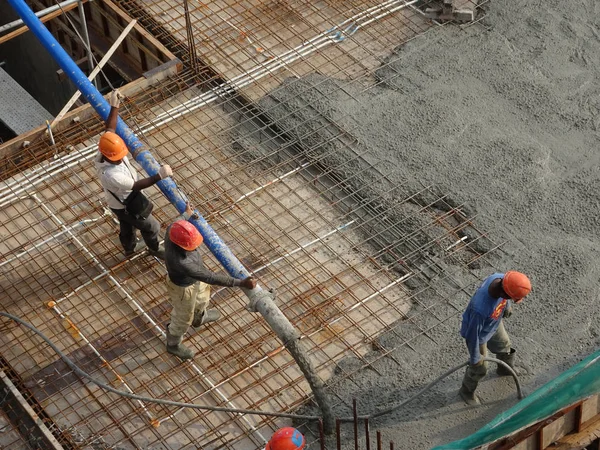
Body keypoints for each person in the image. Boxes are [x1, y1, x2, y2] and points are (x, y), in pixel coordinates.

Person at [164, 203, 257, 360]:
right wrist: (241, 283)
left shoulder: (172, 231)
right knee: (182, 318)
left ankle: (199, 318)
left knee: (202, 300)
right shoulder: (182, 263)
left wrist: (186, 214)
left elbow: (178, 222)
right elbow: (211, 277)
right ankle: (173, 344)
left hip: (196, 281)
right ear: (181, 246)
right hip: (183, 289)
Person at [95, 89, 171, 259]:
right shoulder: (111, 174)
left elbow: (110, 128)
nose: (122, 157)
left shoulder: (105, 147)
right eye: (118, 157)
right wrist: (160, 175)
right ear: (109, 157)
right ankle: (154, 249)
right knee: (152, 227)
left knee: (127, 226)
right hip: (125, 203)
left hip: (118, 202)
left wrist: (114, 106)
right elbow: (136, 185)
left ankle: (129, 248)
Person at [459, 271, 532, 405]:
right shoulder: (480, 308)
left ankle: (505, 369)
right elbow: (472, 335)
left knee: (505, 346)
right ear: (504, 293)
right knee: (480, 368)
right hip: (479, 335)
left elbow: (505, 296)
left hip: (493, 322)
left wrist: (507, 306)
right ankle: (466, 391)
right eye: (510, 298)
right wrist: (475, 358)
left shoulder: (500, 279)